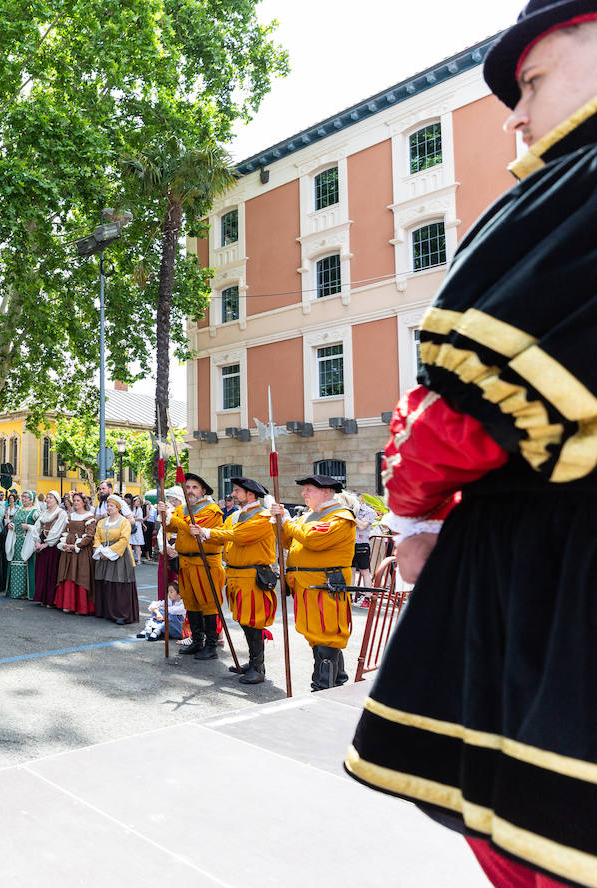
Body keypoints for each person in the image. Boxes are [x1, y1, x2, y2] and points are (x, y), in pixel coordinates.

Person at [343, 20, 597, 875]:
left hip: (558, 586)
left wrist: (413, 511)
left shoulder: (579, 189)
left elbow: (458, 418)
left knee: (534, 845)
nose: (515, 117)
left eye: (532, 82)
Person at [268, 475, 355, 690]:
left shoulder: (340, 517)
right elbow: (288, 541)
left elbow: (314, 540)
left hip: (325, 584)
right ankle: (338, 680)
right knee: (316, 635)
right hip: (307, 584)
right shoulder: (309, 516)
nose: (303, 494)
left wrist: (287, 521)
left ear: (326, 491)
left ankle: (323, 686)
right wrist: (278, 524)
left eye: (309, 490)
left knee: (327, 634)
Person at [196, 476, 277, 685]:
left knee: (253, 621)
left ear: (250, 494)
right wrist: (205, 534)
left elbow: (239, 536)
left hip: (252, 575)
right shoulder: (239, 515)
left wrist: (206, 531)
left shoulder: (263, 516)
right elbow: (225, 533)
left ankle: (258, 667)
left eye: (237, 491)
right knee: (244, 620)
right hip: (236, 574)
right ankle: (253, 662)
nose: (233, 494)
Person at [161, 473, 226, 661]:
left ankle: (211, 645)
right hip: (186, 562)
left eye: (194, 487)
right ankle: (197, 640)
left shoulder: (211, 510)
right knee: (191, 602)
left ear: (203, 491)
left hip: (205, 563)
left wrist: (172, 518)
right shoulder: (183, 509)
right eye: (187, 487)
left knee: (208, 603)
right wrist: (165, 515)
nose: (190, 491)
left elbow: (191, 528)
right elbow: (172, 528)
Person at [93, 494, 140, 624]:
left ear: (118, 508)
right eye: (108, 506)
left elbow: (124, 539)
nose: (109, 508)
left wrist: (109, 553)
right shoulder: (102, 522)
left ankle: (121, 614)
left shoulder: (124, 521)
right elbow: (97, 537)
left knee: (119, 583)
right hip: (103, 553)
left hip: (119, 556)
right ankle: (105, 611)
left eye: (112, 506)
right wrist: (100, 550)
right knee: (105, 582)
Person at [55, 492, 96, 614]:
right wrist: (65, 545)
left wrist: (76, 546)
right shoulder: (71, 516)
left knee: (80, 576)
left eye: (78, 500)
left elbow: (89, 536)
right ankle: (68, 604)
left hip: (82, 552)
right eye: (75, 501)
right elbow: (66, 531)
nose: (76, 503)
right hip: (68, 550)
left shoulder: (89, 517)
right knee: (67, 575)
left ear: (84, 502)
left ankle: (81, 607)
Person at [32, 492, 67, 607]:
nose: (48, 500)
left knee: (51, 573)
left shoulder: (61, 513)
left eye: (51, 498)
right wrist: (36, 541)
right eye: (47, 497)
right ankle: (41, 597)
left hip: (52, 547)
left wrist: (46, 544)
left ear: (57, 500)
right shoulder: (44, 512)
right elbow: (37, 527)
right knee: (41, 572)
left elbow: (57, 531)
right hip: (41, 544)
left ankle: (50, 600)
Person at [4, 490, 40, 600]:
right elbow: (15, 522)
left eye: (26, 497)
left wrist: (29, 527)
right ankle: (14, 591)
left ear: (31, 499)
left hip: (27, 541)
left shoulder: (35, 512)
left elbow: (39, 527)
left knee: (26, 564)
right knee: (15, 563)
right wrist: (11, 525)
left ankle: (26, 592)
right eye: (23, 497)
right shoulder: (19, 509)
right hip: (16, 540)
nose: (23, 499)